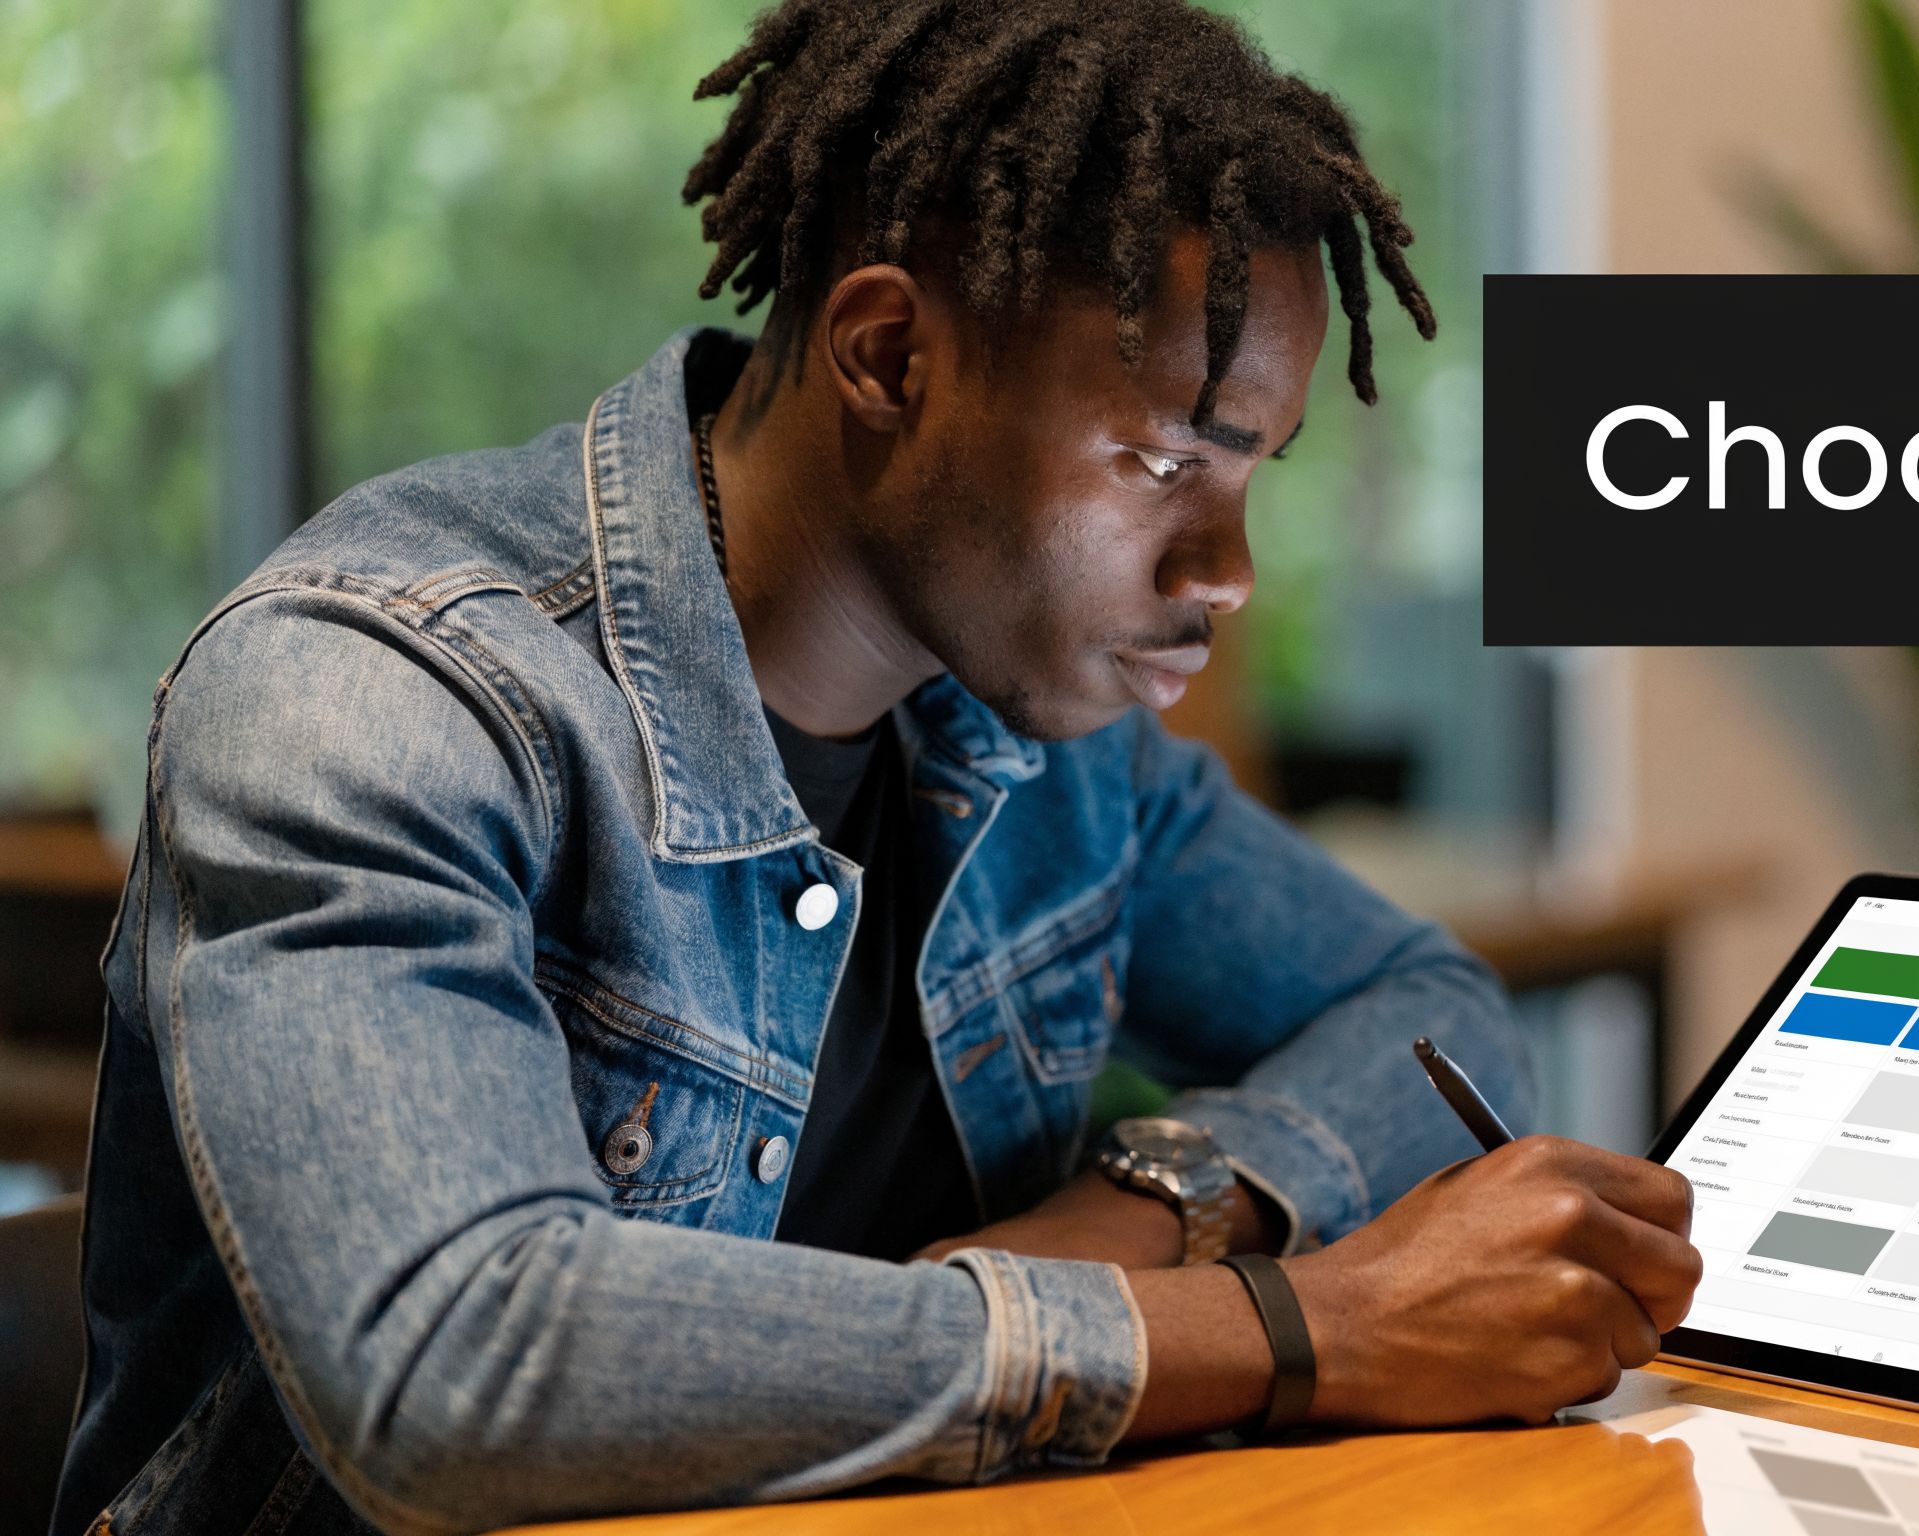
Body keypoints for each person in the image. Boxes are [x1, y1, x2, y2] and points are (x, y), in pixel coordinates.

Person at [53, 3, 1701, 1532]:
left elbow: (1430, 1014)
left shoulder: (1040, 736)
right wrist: (1294, 1325)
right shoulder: (376, 695)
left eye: (1250, 471)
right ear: (888, 358)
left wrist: (1138, 1215)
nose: (1227, 569)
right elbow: (453, 1362)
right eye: (1155, 459)